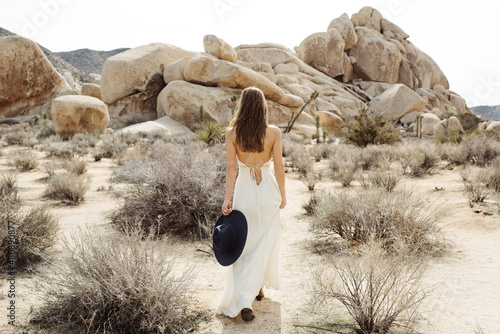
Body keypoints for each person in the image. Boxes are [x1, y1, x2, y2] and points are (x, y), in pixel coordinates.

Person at [216, 87, 287, 321]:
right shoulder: (273, 132)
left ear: (243, 106)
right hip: (267, 191)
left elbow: (231, 169)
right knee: (264, 239)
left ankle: (247, 296)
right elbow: (278, 167)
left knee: (244, 242)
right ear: (263, 106)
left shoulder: (232, 134)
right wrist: (283, 195)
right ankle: (253, 292)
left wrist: (227, 198)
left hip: (245, 190)